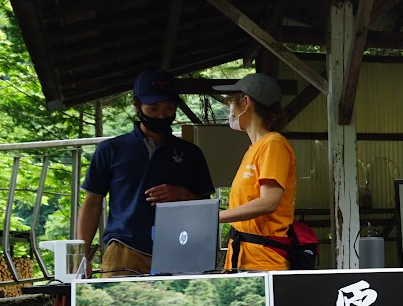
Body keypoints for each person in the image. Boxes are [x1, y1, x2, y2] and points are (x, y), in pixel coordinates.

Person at [76, 69, 214, 277]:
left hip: (180, 247)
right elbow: (93, 202)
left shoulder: (190, 153)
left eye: (169, 108)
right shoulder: (111, 149)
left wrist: (182, 195)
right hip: (124, 247)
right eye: (153, 108)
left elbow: (205, 205)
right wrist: (81, 254)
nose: (161, 115)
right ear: (136, 105)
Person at [215, 73, 297, 271]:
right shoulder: (255, 147)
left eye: (231, 103)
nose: (230, 110)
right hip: (244, 256)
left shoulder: (273, 143)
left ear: (245, 102)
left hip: (264, 259)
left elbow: (269, 202)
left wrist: (214, 217)